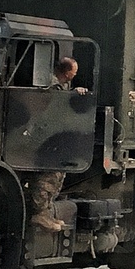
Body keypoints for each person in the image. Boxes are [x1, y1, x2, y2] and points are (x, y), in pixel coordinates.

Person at [26, 57, 87, 232]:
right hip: (45, 138)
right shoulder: (51, 85)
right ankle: (38, 213)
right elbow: (54, 109)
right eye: (73, 72)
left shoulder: (61, 85)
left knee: (58, 175)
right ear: (67, 73)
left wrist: (74, 92)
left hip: (54, 138)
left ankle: (45, 213)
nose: (74, 75)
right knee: (48, 178)